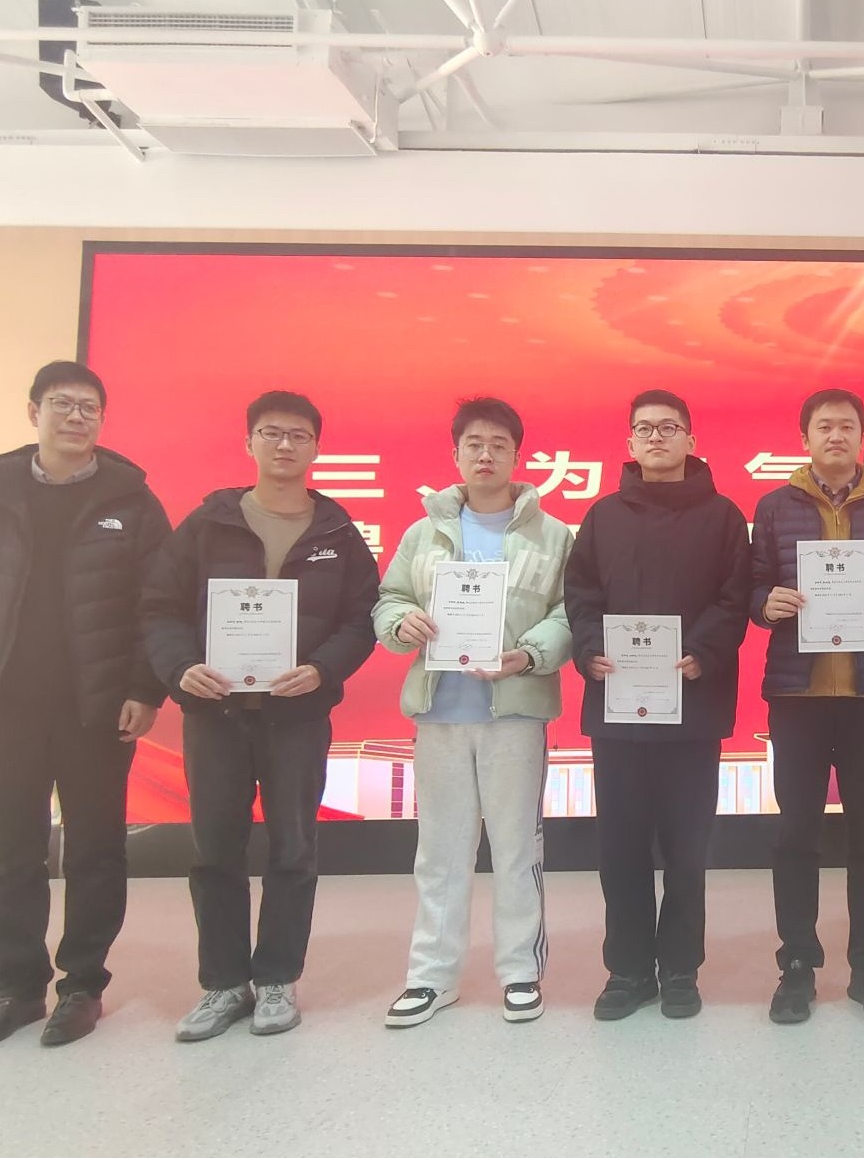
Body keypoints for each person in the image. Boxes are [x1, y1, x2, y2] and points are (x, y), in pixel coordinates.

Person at [0, 361, 170, 1050]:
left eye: (89, 407)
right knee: (13, 852)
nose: (76, 417)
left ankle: (82, 985)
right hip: (6, 704)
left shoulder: (131, 499)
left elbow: (158, 604)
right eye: (62, 404)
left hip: (97, 708)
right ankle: (18, 989)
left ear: (103, 420)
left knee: (95, 851)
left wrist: (145, 689)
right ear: (34, 412)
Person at [142, 390, 381, 1040]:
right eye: (272, 433)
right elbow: (159, 607)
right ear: (248, 442)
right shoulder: (208, 524)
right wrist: (180, 667)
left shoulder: (338, 532)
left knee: (294, 848)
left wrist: (323, 669)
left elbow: (362, 618)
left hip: (296, 717)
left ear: (316, 448)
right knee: (214, 849)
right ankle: (223, 984)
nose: (284, 445)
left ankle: (277, 977)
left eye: (298, 435)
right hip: (215, 714)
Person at [371, 397, 574, 1028]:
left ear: (518, 455)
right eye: (474, 445)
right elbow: (389, 598)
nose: (485, 455)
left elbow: (571, 613)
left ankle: (519, 971)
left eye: (498, 445)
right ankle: (431, 977)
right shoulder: (422, 532)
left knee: (516, 848)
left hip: (515, 714)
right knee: (440, 850)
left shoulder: (554, 535)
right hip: (440, 711)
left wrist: (531, 654)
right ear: (456, 454)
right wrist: (402, 621)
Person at [566, 390, 750, 1021]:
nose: (655, 437)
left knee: (686, 850)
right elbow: (580, 596)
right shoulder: (602, 516)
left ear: (691, 440)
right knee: (619, 849)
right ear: (630, 442)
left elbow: (734, 598)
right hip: (617, 707)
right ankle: (626, 971)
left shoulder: (723, 517)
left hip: (692, 705)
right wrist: (589, 648)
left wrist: (702, 652)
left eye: (668, 427)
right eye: (643, 428)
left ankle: (679, 969)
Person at [749, 388, 864, 1024]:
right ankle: (797, 964)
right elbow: (752, 585)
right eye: (824, 426)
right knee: (795, 833)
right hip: (797, 695)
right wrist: (765, 603)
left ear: (862, 436)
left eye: (847, 426)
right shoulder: (775, 506)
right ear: (805, 438)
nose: (835, 436)